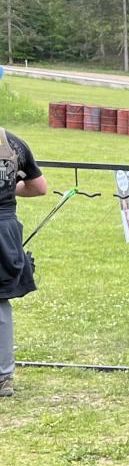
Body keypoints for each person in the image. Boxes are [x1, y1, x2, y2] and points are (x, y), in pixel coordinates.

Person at [0, 126, 47, 398]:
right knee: (1, 301)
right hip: (5, 228)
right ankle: (4, 376)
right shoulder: (14, 143)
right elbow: (39, 187)